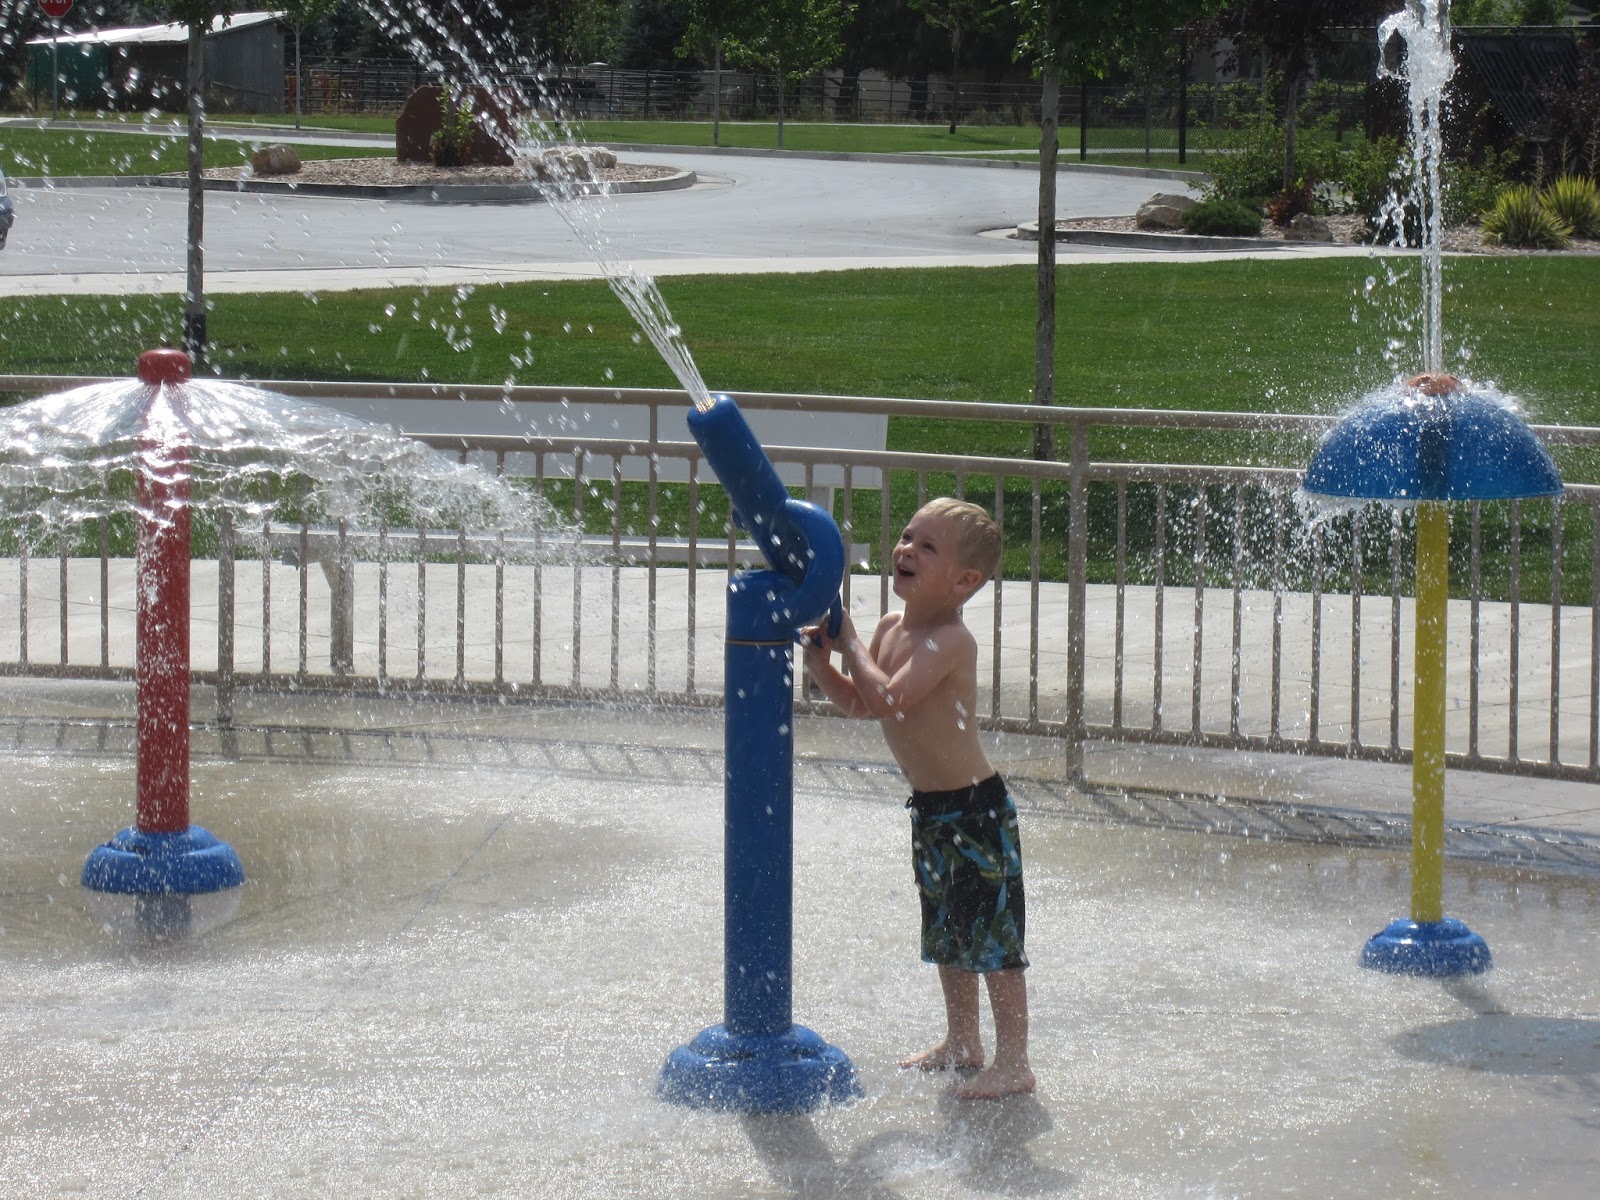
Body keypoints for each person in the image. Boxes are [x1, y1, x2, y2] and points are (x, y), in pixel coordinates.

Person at [802, 497, 1033, 1100]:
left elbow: (891, 700)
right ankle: (962, 1041)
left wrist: (848, 639)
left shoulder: (950, 640)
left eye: (927, 546)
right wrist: (824, 664)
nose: (906, 549)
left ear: (964, 580)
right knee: (948, 932)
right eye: (907, 536)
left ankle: (1014, 1063)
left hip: (977, 810)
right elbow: (861, 702)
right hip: (930, 811)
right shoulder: (888, 630)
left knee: (993, 940)